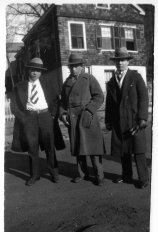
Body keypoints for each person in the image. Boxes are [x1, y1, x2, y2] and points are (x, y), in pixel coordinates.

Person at [11, 57, 65, 186]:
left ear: (41, 72)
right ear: (28, 71)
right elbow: (14, 107)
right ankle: (35, 175)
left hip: (45, 117)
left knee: (49, 147)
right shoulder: (20, 86)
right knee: (32, 148)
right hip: (29, 118)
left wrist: (52, 115)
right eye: (32, 70)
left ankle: (54, 173)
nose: (35, 73)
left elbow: (55, 101)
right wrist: (24, 118)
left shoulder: (47, 83)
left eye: (37, 70)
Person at [105, 47, 149, 189]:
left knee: (138, 151)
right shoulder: (112, 82)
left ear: (127, 62)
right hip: (119, 121)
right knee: (123, 150)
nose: (120, 63)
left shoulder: (135, 77)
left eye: (123, 60)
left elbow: (144, 98)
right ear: (115, 63)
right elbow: (110, 104)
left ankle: (143, 179)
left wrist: (142, 118)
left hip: (134, 120)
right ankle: (127, 176)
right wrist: (108, 120)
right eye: (118, 61)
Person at [59, 53, 105, 186]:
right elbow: (62, 102)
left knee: (93, 148)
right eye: (71, 67)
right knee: (79, 146)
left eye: (76, 66)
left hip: (87, 117)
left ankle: (99, 176)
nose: (73, 69)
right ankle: (82, 174)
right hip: (73, 118)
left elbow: (99, 96)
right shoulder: (67, 82)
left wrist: (90, 110)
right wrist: (62, 114)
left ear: (81, 67)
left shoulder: (89, 78)